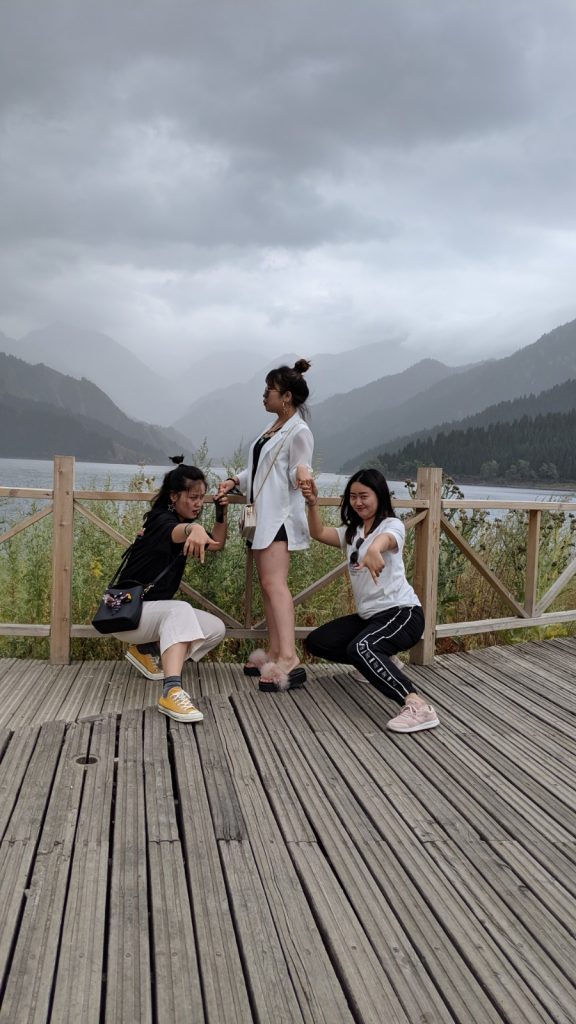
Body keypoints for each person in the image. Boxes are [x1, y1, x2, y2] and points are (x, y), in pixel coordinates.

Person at [301, 468, 439, 733]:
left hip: (403, 614)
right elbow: (317, 532)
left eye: (364, 496)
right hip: (371, 618)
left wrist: (375, 548)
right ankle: (383, 662)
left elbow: (388, 541)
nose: (358, 502)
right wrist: (312, 502)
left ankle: (416, 704)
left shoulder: (392, 526)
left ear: (380, 496)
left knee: (360, 648)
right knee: (318, 642)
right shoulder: (353, 532)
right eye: (353, 496)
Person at [217, 359, 314, 691]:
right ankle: (273, 650)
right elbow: (259, 470)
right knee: (268, 585)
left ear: (285, 396)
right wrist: (235, 480)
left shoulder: (299, 431)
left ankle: (288, 656)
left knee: (276, 585)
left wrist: (304, 476)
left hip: (280, 517)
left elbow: (297, 470)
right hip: (263, 517)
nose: (263, 396)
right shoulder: (271, 428)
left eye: (268, 391)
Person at [111, 463, 228, 723]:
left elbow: (216, 545)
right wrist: (194, 529)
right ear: (174, 496)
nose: (198, 504)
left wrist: (220, 515)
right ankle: (171, 689)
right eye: (193, 497)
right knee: (179, 610)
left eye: (202, 498)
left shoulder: (182, 522)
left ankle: (146, 650)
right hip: (124, 612)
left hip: (149, 616)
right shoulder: (160, 520)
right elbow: (177, 532)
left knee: (216, 628)